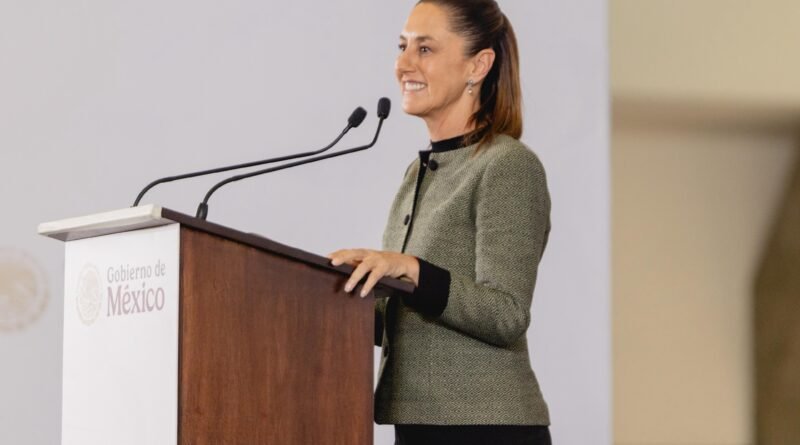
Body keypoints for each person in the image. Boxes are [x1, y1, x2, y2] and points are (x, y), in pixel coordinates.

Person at [328, 1, 552, 443]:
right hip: (418, 426)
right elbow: (409, 317)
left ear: (478, 65)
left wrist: (412, 269)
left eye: (425, 49)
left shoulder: (507, 165)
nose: (403, 64)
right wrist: (326, 298)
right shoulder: (419, 172)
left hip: (486, 429)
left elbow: (506, 313)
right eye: (402, 47)